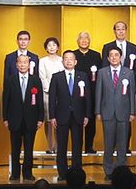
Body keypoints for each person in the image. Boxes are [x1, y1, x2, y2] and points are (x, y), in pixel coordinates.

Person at [49, 50, 91, 181]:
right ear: (62, 62)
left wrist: (87, 115)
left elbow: (88, 97)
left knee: (77, 145)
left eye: (71, 58)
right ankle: (62, 173)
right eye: (66, 58)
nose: (68, 61)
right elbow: (52, 98)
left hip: (78, 115)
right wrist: (52, 116)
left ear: (76, 61)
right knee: (61, 146)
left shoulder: (82, 76)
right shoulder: (57, 77)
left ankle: (76, 171)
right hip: (61, 116)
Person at [96, 46, 136, 180]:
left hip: (123, 113)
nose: (113, 57)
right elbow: (98, 93)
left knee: (122, 144)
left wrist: (132, 112)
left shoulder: (128, 73)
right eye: (111, 55)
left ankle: (121, 171)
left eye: (116, 55)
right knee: (108, 145)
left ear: (121, 57)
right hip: (107, 113)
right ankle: (108, 172)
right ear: (107, 58)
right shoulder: (102, 73)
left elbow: (131, 94)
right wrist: (97, 111)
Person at [3, 55, 44, 181]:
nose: (22, 65)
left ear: (29, 64)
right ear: (16, 65)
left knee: (29, 149)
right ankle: (15, 173)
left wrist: (40, 118)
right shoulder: (10, 80)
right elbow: (5, 100)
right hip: (14, 120)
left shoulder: (36, 80)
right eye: (20, 62)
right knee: (15, 149)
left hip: (31, 120)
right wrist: (5, 118)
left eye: (25, 62)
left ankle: (27, 173)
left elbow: (40, 101)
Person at [101, 21, 136, 153]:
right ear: (114, 31)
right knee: (109, 140)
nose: (121, 31)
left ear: (126, 31)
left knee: (125, 132)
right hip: (110, 96)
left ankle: (125, 149)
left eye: (123, 29)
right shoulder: (107, 47)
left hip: (125, 96)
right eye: (118, 29)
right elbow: (103, 72)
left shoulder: (134, 47)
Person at [74, 32, 102, 154]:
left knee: (91, 121)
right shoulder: (73, 55)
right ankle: (78, 146)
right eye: (81, 38)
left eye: (86, 39)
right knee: (77, 121)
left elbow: (100, 74)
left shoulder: (96, 55)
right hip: (75, 94)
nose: (84, 41)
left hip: (92, 92)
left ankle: (89, 146)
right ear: (78, 41)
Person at [38, 37, 64, 154]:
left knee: (59, 120)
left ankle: (58, 146)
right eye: (49, 45)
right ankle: (50, 146)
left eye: (54, 45)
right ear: (46, 48)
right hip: (47, 93)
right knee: (48, 120)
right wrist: (50, 90)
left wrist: (59, 91)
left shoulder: (62, 60)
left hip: (61, 95)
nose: (52, 47)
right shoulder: (42, 61)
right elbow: (42, 77)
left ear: (58, 47)